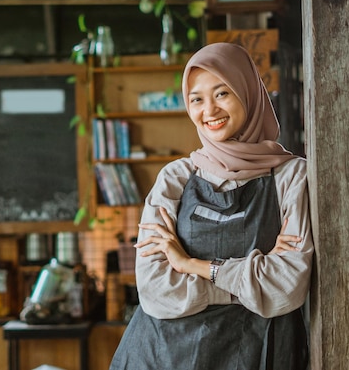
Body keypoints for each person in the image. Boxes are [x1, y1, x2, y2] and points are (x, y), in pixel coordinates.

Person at [110, 42, 313, 370]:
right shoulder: (175, 177)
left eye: (222, 93)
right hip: (162, 355)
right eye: (196, 99)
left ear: (248, 92)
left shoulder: (291, 175)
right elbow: (156, 291)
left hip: (255, 353)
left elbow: (286, 287)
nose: (210, 110)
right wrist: (247, 287)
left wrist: (192, 265)